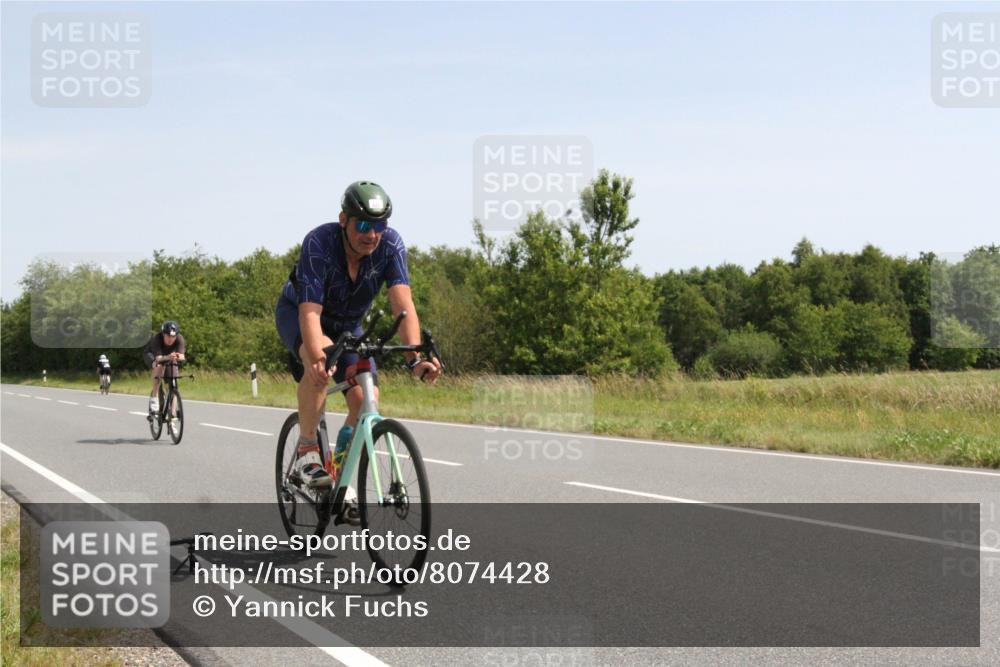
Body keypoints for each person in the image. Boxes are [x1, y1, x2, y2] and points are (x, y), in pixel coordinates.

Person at [275, 180, 442, 499]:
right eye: (363, 224)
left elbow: (402, 304)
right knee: (319, 371)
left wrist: (415, 359)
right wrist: (317, 358)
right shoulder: (319, 243)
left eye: (379, 225)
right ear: (343, 220)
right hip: (302, 313)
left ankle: (337, 470)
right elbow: (309, 313)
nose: (372, 234)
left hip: (350, 325)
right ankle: (308, 454)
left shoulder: (391, 245)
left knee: (367, 398)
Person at [143, 321, 187, 427]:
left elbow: (182, 356)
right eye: (168, 336)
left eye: (173, 337)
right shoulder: (156, 339)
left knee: (173, 381)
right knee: (159, 366)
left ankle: (172, 412)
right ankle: (154, 398)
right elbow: (159, 359)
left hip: (169, 356)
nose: (170, 339)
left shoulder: (180, 339)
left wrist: (177, 356)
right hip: (153, 356)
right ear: (163, 334)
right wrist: (168, 357)